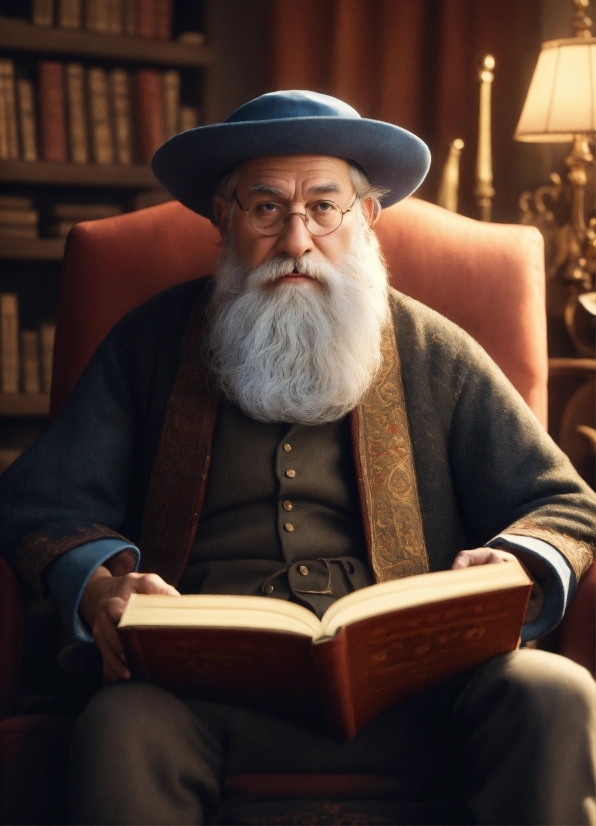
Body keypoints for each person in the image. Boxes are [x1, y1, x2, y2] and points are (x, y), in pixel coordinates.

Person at [1, 90, 595, 826]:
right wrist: (99, 588)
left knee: (555, 694)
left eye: (323, 206)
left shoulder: (432, 349)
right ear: (224, 218)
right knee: (118, 726)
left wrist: (517, 563)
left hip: (421, 695)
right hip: (198, 698)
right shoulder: (149, 342)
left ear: (367, 218)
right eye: (266, 208)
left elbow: (563, 503)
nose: (295, 239)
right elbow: (43, 500)